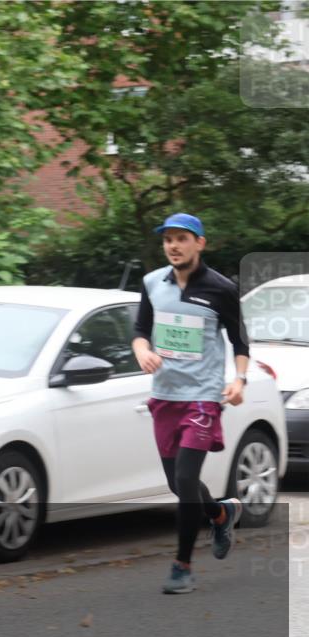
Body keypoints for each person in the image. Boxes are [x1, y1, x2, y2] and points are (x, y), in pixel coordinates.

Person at [132, 213, 249, 594]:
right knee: (175, 482)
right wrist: (142, 351)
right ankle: (220, 512)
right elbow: (139, 331)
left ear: (200, 243)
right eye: (168, 240)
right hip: (165, 396)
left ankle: (182, 567)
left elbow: (240, 342)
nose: (174, 246)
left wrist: (239, 379)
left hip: (202, 398)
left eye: (182, 238)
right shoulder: (152, 283)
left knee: (184, 479)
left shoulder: (221, 288)